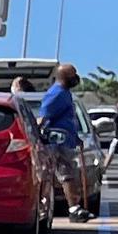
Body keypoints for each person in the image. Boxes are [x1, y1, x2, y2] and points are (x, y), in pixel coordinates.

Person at [37, 62, 90, 219]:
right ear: (65, 77)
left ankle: (73, 208)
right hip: (56, 143)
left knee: (67, 174)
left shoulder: (65, 93)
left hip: (66, 141)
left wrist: (76, 138)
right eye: (73, 75)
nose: (76, 78)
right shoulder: (56, 94)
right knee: (61, 175)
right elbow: (44, 117)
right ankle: (70, 208)